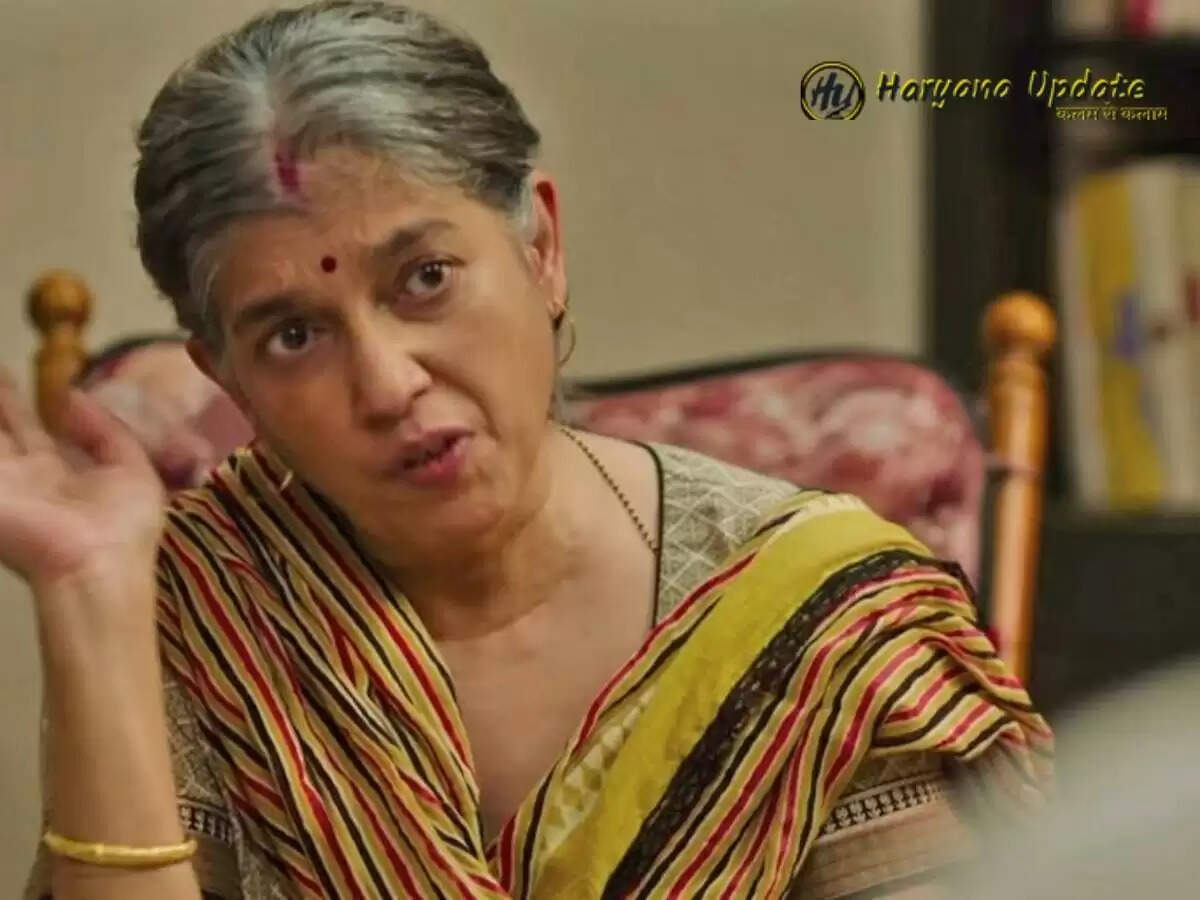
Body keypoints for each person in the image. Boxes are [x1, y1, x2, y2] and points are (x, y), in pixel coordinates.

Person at [5, 3, 1051, 898]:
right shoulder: (206, 610)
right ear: (227, 377)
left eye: (425, 279)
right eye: (293, 336)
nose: (387, 384)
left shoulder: (829, 632)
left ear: (540, 248)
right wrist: (89, 594)